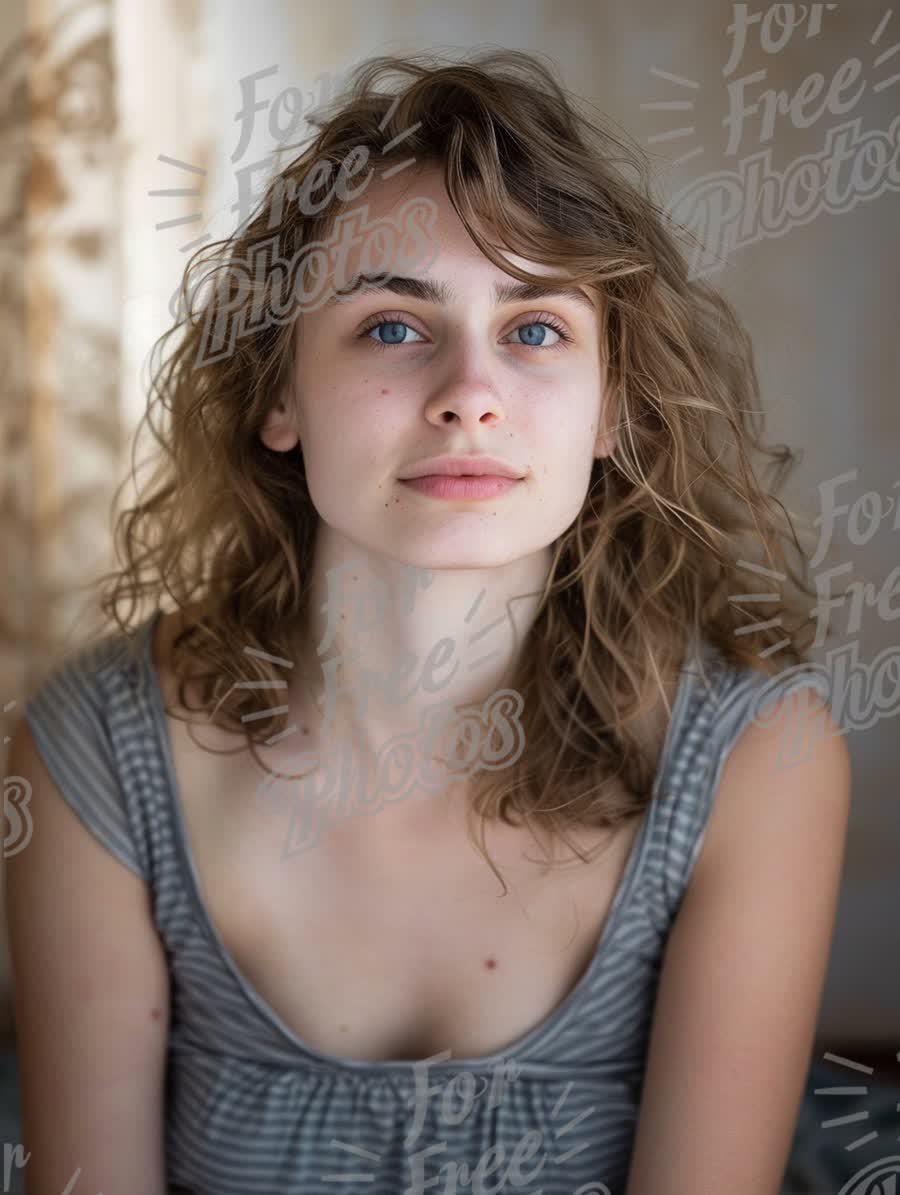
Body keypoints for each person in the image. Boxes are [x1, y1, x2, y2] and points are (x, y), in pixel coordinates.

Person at [4, 49, 851, 1195]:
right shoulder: (90, 752)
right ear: (278, 396)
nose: (469, 390)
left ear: (614, 410)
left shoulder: (760, 759)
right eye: (393, 326)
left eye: (536, 328)